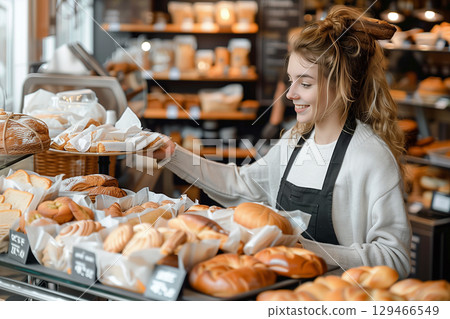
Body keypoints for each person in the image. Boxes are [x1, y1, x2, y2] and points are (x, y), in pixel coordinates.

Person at [150, 6, 411, 278]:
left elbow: (396, 258)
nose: (290, 94)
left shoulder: (369, 157)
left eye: (305, 83)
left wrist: (302, 248)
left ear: (341, 84)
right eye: (290, 80)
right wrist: (172, 153)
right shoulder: (296, 139)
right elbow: (244, 184)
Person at [261, 27, 303, 140]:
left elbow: (279, 95)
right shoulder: (315, 66)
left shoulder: (289, 66)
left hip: (296, 122)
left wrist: (273, 123)